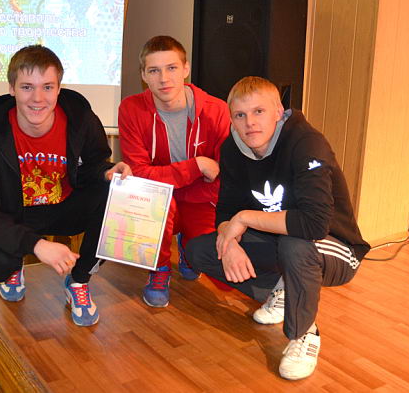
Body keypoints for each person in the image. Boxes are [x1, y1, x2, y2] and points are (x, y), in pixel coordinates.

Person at [185, 76, 370, 380]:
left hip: (334, 246)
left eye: (258, 111)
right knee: (200, 251)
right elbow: (226, 211)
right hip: (278, 240)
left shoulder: (306, 143)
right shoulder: (232, 149)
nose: (249, 123)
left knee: (295, 244)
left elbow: (313, 223)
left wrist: (243, 219)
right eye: (240, 115)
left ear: (278, 112)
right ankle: (282, 291)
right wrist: (229, 242)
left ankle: (304, 334)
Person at [0, 45, 130, 327]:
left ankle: (78, 282)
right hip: (15, 214)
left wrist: (107, 172)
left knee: (114, 194)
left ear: (59, 89)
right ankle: (13, 267)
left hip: (64, 207)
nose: (37, 98)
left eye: (47, 87)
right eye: (27, 87)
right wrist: (35, 245)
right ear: (12, 89)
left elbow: (94, 165)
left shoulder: (81, 119)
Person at [118, 35, 230, 307]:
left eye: (171, 68)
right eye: (154, 71)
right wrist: (196, 165)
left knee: (216, 268)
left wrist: (188, 182)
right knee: (148, 198)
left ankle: (187, 244)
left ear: (186, 69)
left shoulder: (217, 110)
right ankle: (159, 268)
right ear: (143, 75)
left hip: (200, 195)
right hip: (158, 195)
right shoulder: (131, 109)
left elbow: (224, 174)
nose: (164, 79)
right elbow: (139, 174)